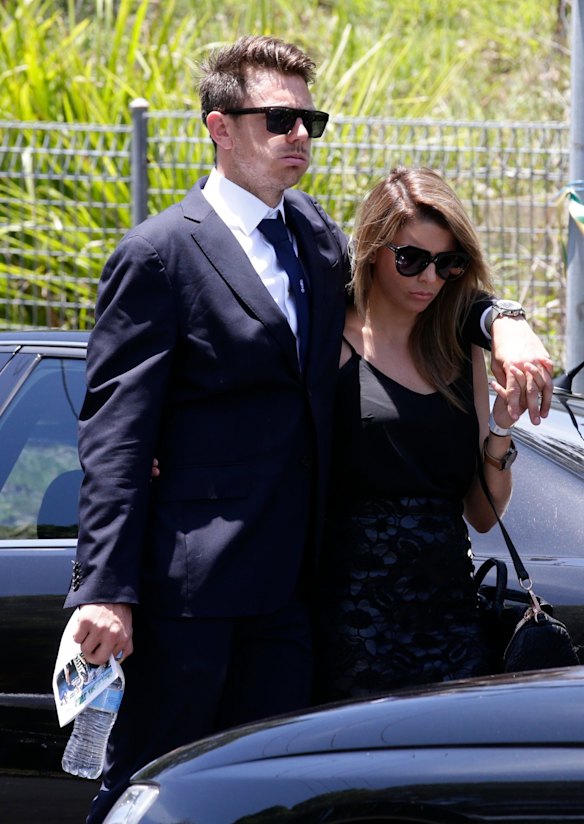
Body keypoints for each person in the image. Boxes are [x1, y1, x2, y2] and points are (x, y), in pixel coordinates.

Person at [63, 36, 552, 823]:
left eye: (309, 120)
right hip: (192, 593)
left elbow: (424, 272)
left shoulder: (314, 240)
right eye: (279, 119)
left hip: (296, 595)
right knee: (152, 791)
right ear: (219, 128)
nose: (300, 136)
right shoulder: (158, 253)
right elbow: (116, 438)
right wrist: (106, 592)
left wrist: (509, 321)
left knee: (271, 804)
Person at [314, 167, 527, 701]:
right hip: (350, 622)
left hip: (451, 623)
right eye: (410, 259)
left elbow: (481, 515)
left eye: (448, 264)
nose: (429, 279)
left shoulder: (458, 355)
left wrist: (501, 429)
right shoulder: (326, 341)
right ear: (372, 250)